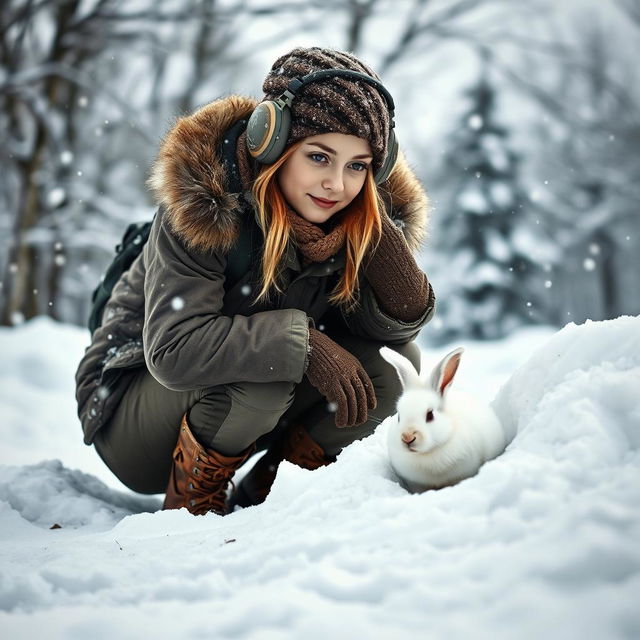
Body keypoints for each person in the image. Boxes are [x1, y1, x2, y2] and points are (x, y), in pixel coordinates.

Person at [74, 46, 436, 516]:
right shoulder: (207, 204)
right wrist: (304, 345)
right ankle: (191, 506)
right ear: (272, 140)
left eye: (357, 165)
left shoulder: (351, 217)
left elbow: (380, 336)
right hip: (132, 406)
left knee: (394, 366)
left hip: (244, 404)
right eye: (319, 157)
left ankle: (276, 495)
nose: (337, 185)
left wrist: (385, 244)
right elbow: (174, 349)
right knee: (263, 375)